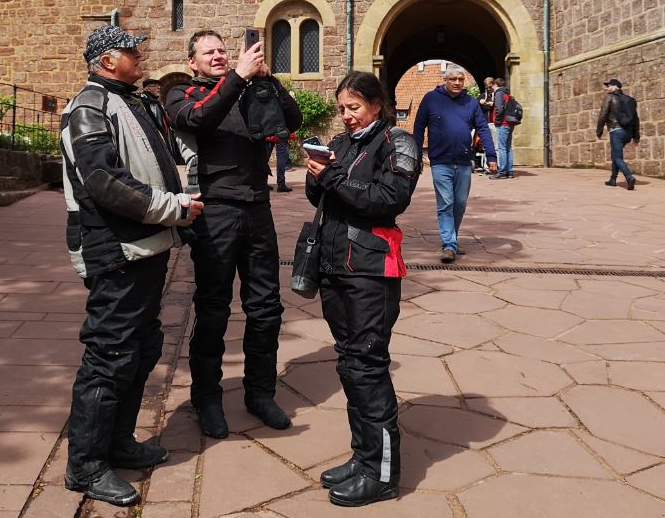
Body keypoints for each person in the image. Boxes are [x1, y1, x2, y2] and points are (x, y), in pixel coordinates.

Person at [59, 25, 204, 506]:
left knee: (140, 348)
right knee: (110, 355)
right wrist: (173, 208)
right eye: (129, 50)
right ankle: (86, 466)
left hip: (143, 247)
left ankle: (117, 443)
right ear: (105, 61)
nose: (139, 55)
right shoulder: (89, 107)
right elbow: (103, 180)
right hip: (116, 250)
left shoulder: (131, 100)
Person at [164, 29, 302, 439]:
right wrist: (238, 78)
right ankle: (206, 397)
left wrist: (266, 80)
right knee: (213, 309)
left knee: (266, 308)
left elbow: (291, 121)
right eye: (209, 52)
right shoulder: (181, 94)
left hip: (258, 208)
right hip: (214, 211)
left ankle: (260, 392)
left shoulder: (248, 89)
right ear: (193, 62)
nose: (219, 56)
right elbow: (198, 119)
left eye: (223, 50)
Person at [305, 71, 419, 507]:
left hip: (371, 270)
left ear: (376, 104)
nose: (346, 116)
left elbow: (388, 200)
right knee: (350, 365)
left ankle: (383, 474)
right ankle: (363, 457)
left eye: (353, 107)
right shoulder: (340, 144)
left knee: (368, 366)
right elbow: (325, 200)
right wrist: (318, 176)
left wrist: (332, 178)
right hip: (336, 267)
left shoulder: (397, 142)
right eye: (342, 109)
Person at [411, 65, 497, 263]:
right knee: (446, 203)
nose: (457, 82)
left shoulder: (471, 102)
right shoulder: (431, 99)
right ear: (445, 80)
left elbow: (483, 128)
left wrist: (491, 156)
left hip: (464, 162)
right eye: (453, 79)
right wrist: (416, 155)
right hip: (440, 161)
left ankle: (452, 239)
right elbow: (418, 127)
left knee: (459, 204)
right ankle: (449, 244)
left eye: (460, 79)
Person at [596, 78, 640, 190]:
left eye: (609, 85)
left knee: (616, 157)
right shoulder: (629, 100)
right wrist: (636, 136)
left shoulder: (610, 97)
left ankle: (629, 177)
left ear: (616, 87)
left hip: (616, 131)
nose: (607, 88)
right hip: (627, 133)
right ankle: (613, 179)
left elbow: (603, 115)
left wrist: (599, 130)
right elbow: (636, 119)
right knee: (616, 155)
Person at [492, 77, 515, 178]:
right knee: (508, 148)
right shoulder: (507, 93)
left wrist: (497, 121)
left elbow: (499, 108)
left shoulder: (499, 93)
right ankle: (509, 171)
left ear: (495, 85)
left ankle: (502, 172)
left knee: (501, 148)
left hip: (503, 123)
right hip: (509, 123)